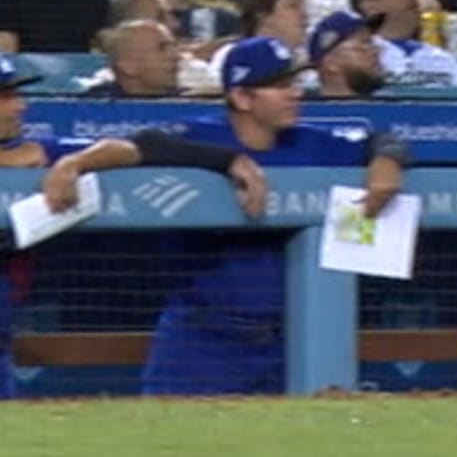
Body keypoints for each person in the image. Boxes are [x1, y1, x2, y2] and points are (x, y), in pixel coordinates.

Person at [42, 37, 405, 395]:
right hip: (204, 338)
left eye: (293, 83)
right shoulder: (200, 134)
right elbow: (137, 146)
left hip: (292, 337)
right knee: (172, 443)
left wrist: (386, 162)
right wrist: (74, 163)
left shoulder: (313, 142)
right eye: (279, 86)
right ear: (242, 97)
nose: (294, 93)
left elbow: (385, 139)